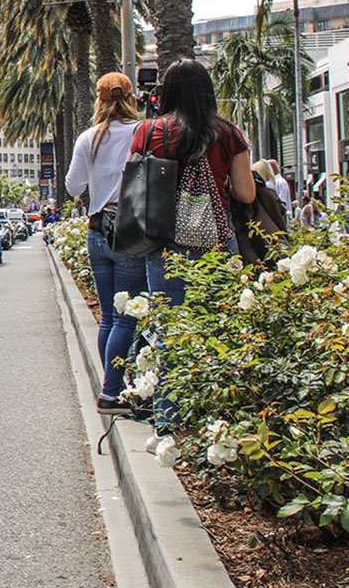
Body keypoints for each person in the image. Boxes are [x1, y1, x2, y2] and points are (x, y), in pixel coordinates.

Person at [136, 59, 256, 424]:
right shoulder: (229, 134)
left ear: (166, 91)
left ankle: (168, 422)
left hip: (164, 242)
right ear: (208, 91)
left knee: (169, 331)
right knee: (219, 328)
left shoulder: (150, 131)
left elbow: (136, 190)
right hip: (217, 240)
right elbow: (247, 194)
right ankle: (213, 421)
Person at [62, 72, 144, 415]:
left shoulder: (88, 138)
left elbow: (72, 186)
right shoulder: (143, 132)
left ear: (99, 99)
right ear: (131, 97)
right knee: (127, 319)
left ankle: (113, 388)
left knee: (109, 317)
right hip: (132, 229)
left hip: (98, 229)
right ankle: (113, 392)